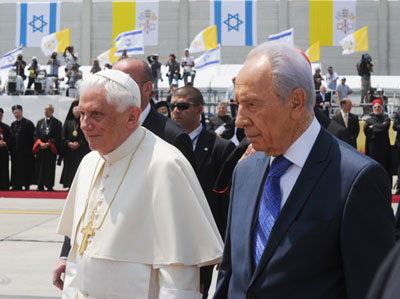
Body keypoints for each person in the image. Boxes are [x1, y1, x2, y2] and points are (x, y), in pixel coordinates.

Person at [214, 41, 395, 299]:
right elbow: (231, 275)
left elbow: (373, 290)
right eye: (238, 105)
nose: (240, 120)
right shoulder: (244, 172)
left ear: (296, 103)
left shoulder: (356, 180)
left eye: (252, 105)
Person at [56, 69, 223, 298]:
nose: (85, 125)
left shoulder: (165, 166)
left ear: (132, 117)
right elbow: (79, 251)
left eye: (96, 115)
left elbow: (179, 279)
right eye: (82, 114)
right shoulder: (88, 162)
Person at [170, 85, 235, 299]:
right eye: (173, 106)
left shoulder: (220, 148)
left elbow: (227, 202)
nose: (176, 111)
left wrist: (225, 246)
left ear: (199, 110)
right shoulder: (162, 143)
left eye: (182, 106)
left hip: (201, 241)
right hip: (167, 235)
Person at [60, 101, 90, 189]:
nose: (76, 111)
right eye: (75, 109)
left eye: (78, 109)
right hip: (69, 151)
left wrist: (79, 143)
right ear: (71, 110)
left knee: (80, 167)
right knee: (70, 168)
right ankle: (69, 185)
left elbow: (88, 135)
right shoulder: (68, 122)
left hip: (81, 150)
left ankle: (81, 186)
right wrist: (68, 143)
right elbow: (62, 136)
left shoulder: (85, 121)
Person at [33, 104, 62, 191]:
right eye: (45, 109)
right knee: (40, 167)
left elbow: (59, 136)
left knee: (50, 168)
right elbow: (35, 135)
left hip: (50, 149)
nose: (46, 111)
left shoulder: (57, 123)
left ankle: (49, 185)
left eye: (48, 110)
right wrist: (40, 143)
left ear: (52, 111)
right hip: (41, 149)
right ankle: (40, 185)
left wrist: (49, 143)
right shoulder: (40, 122)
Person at [364, 99, 392, 182]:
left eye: (379, 107)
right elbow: (366, 130)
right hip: (372, 147)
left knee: (385, 166)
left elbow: (384, 128)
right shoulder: (369, 120)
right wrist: (380, 126)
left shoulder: (386, 119)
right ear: (373, 108)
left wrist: (373, 127)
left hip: (384, 148)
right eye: (375, 107)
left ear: (382, 108)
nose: (377, 108)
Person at [9, 105, 35, 190]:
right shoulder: (13, 124)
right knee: (16, 169)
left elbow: (32, 138)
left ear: (21, 112)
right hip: (15, 153)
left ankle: (26, 184)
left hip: (26, 152)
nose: (16, 114)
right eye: (15, 113)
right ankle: (17, 184)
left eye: (18, 112)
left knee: (26, 168)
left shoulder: (28, 123)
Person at [0, 108, 11, 190]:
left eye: (1, 115)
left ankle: (4, 185)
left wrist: (5, 143)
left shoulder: (6, 127)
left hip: (3, 151)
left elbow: (10, 138)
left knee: (3, 168)